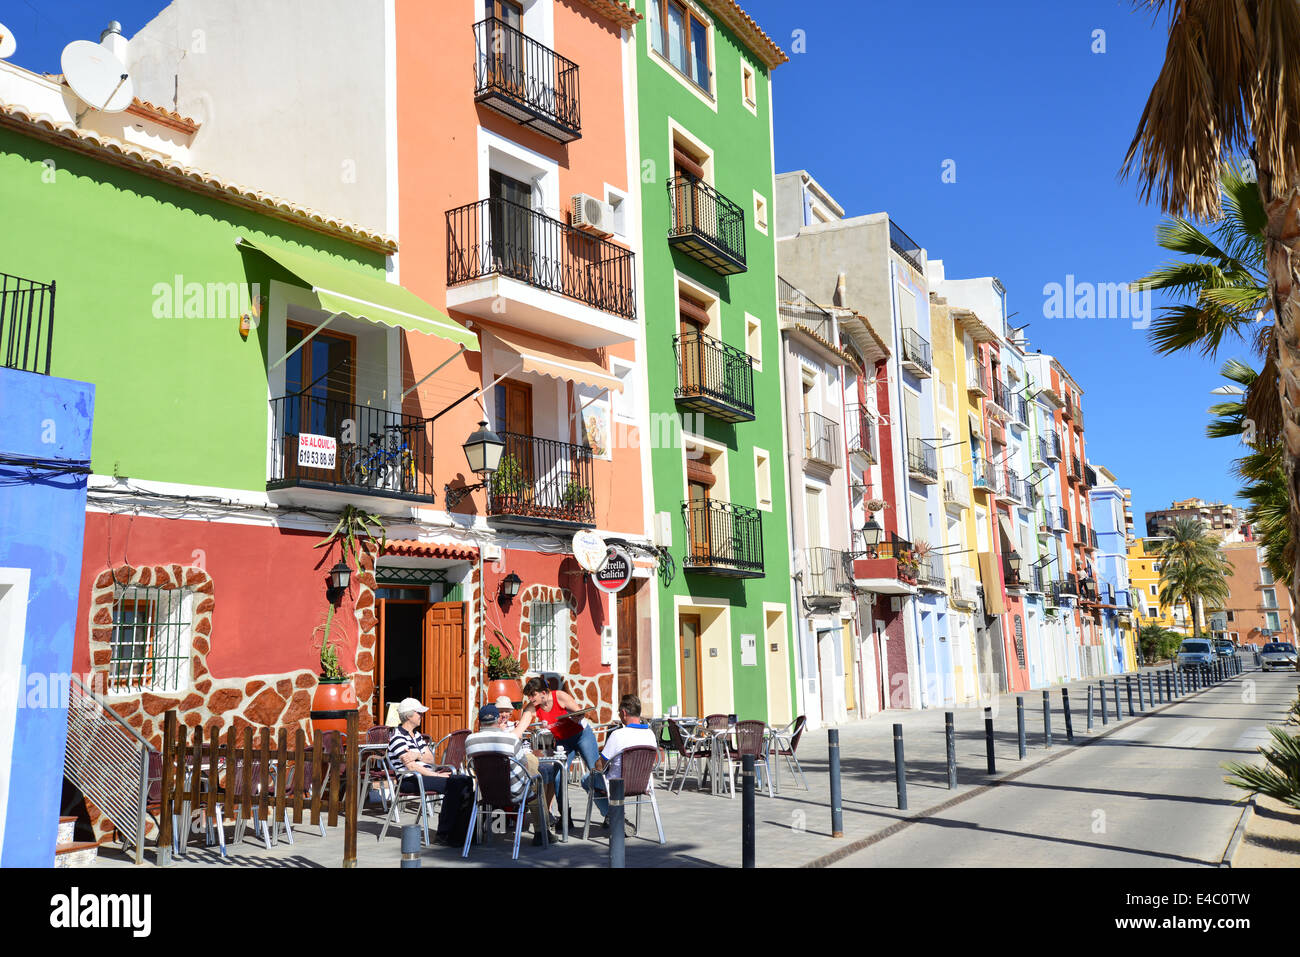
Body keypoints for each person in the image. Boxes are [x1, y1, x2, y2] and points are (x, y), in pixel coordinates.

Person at [386, 698, 474, 846]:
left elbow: (430, 759)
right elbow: (412, 767)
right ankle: (444, 834)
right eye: (419, 713)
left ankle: (462, 832)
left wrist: (417, 755)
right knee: (454, 784)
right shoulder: (397, 737)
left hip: (423, 775)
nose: (422, 716)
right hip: (409, 780)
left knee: (466, 781)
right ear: (409, 716)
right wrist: (437, 775)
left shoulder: (417, 736)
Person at [465, 703, 546, 843]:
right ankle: (542, 832)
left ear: (479, 721)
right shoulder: (511, 739)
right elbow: (525, 766)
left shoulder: (470, 740)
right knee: (535, 780)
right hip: (513, 793)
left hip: (487, 793)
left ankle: (495, 827)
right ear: (498, 720)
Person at [582, 694, 658, 822]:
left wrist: (597, 765)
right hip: (643, 784)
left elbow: (599, 766)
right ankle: (615, 817)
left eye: (619, 713)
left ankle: (614, 816)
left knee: (586, 779)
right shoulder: (650, 735)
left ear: (623, 713)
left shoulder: (618, 735)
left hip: (617, 785)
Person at [519, 676, 599, 774]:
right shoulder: (533, 706)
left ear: (543, 693)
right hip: (563, 741)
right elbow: (521, 727)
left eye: (533, 695)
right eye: (528, 696)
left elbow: (579, 712)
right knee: (558, 778)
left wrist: (577, 716)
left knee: (595, 770)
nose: (530, 698)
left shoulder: (560, 696)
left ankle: (600, 789)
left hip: (581, 735)